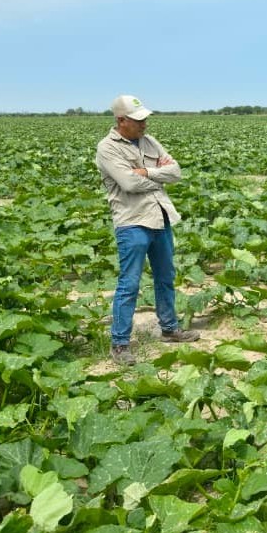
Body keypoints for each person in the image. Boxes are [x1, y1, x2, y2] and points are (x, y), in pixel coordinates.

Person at [96, 95, 199, 365]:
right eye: (138, 120)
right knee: (129, 284)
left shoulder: (149, 142)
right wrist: (154, 173)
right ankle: (119, 344)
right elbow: (128, 184)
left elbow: (176, 172)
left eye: (145, 118)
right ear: (121, 120)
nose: (145, 124)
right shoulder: (107, 148)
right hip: (132, 222)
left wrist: (145, 172)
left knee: (166, 276)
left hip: (160, 217)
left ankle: (169, 328)